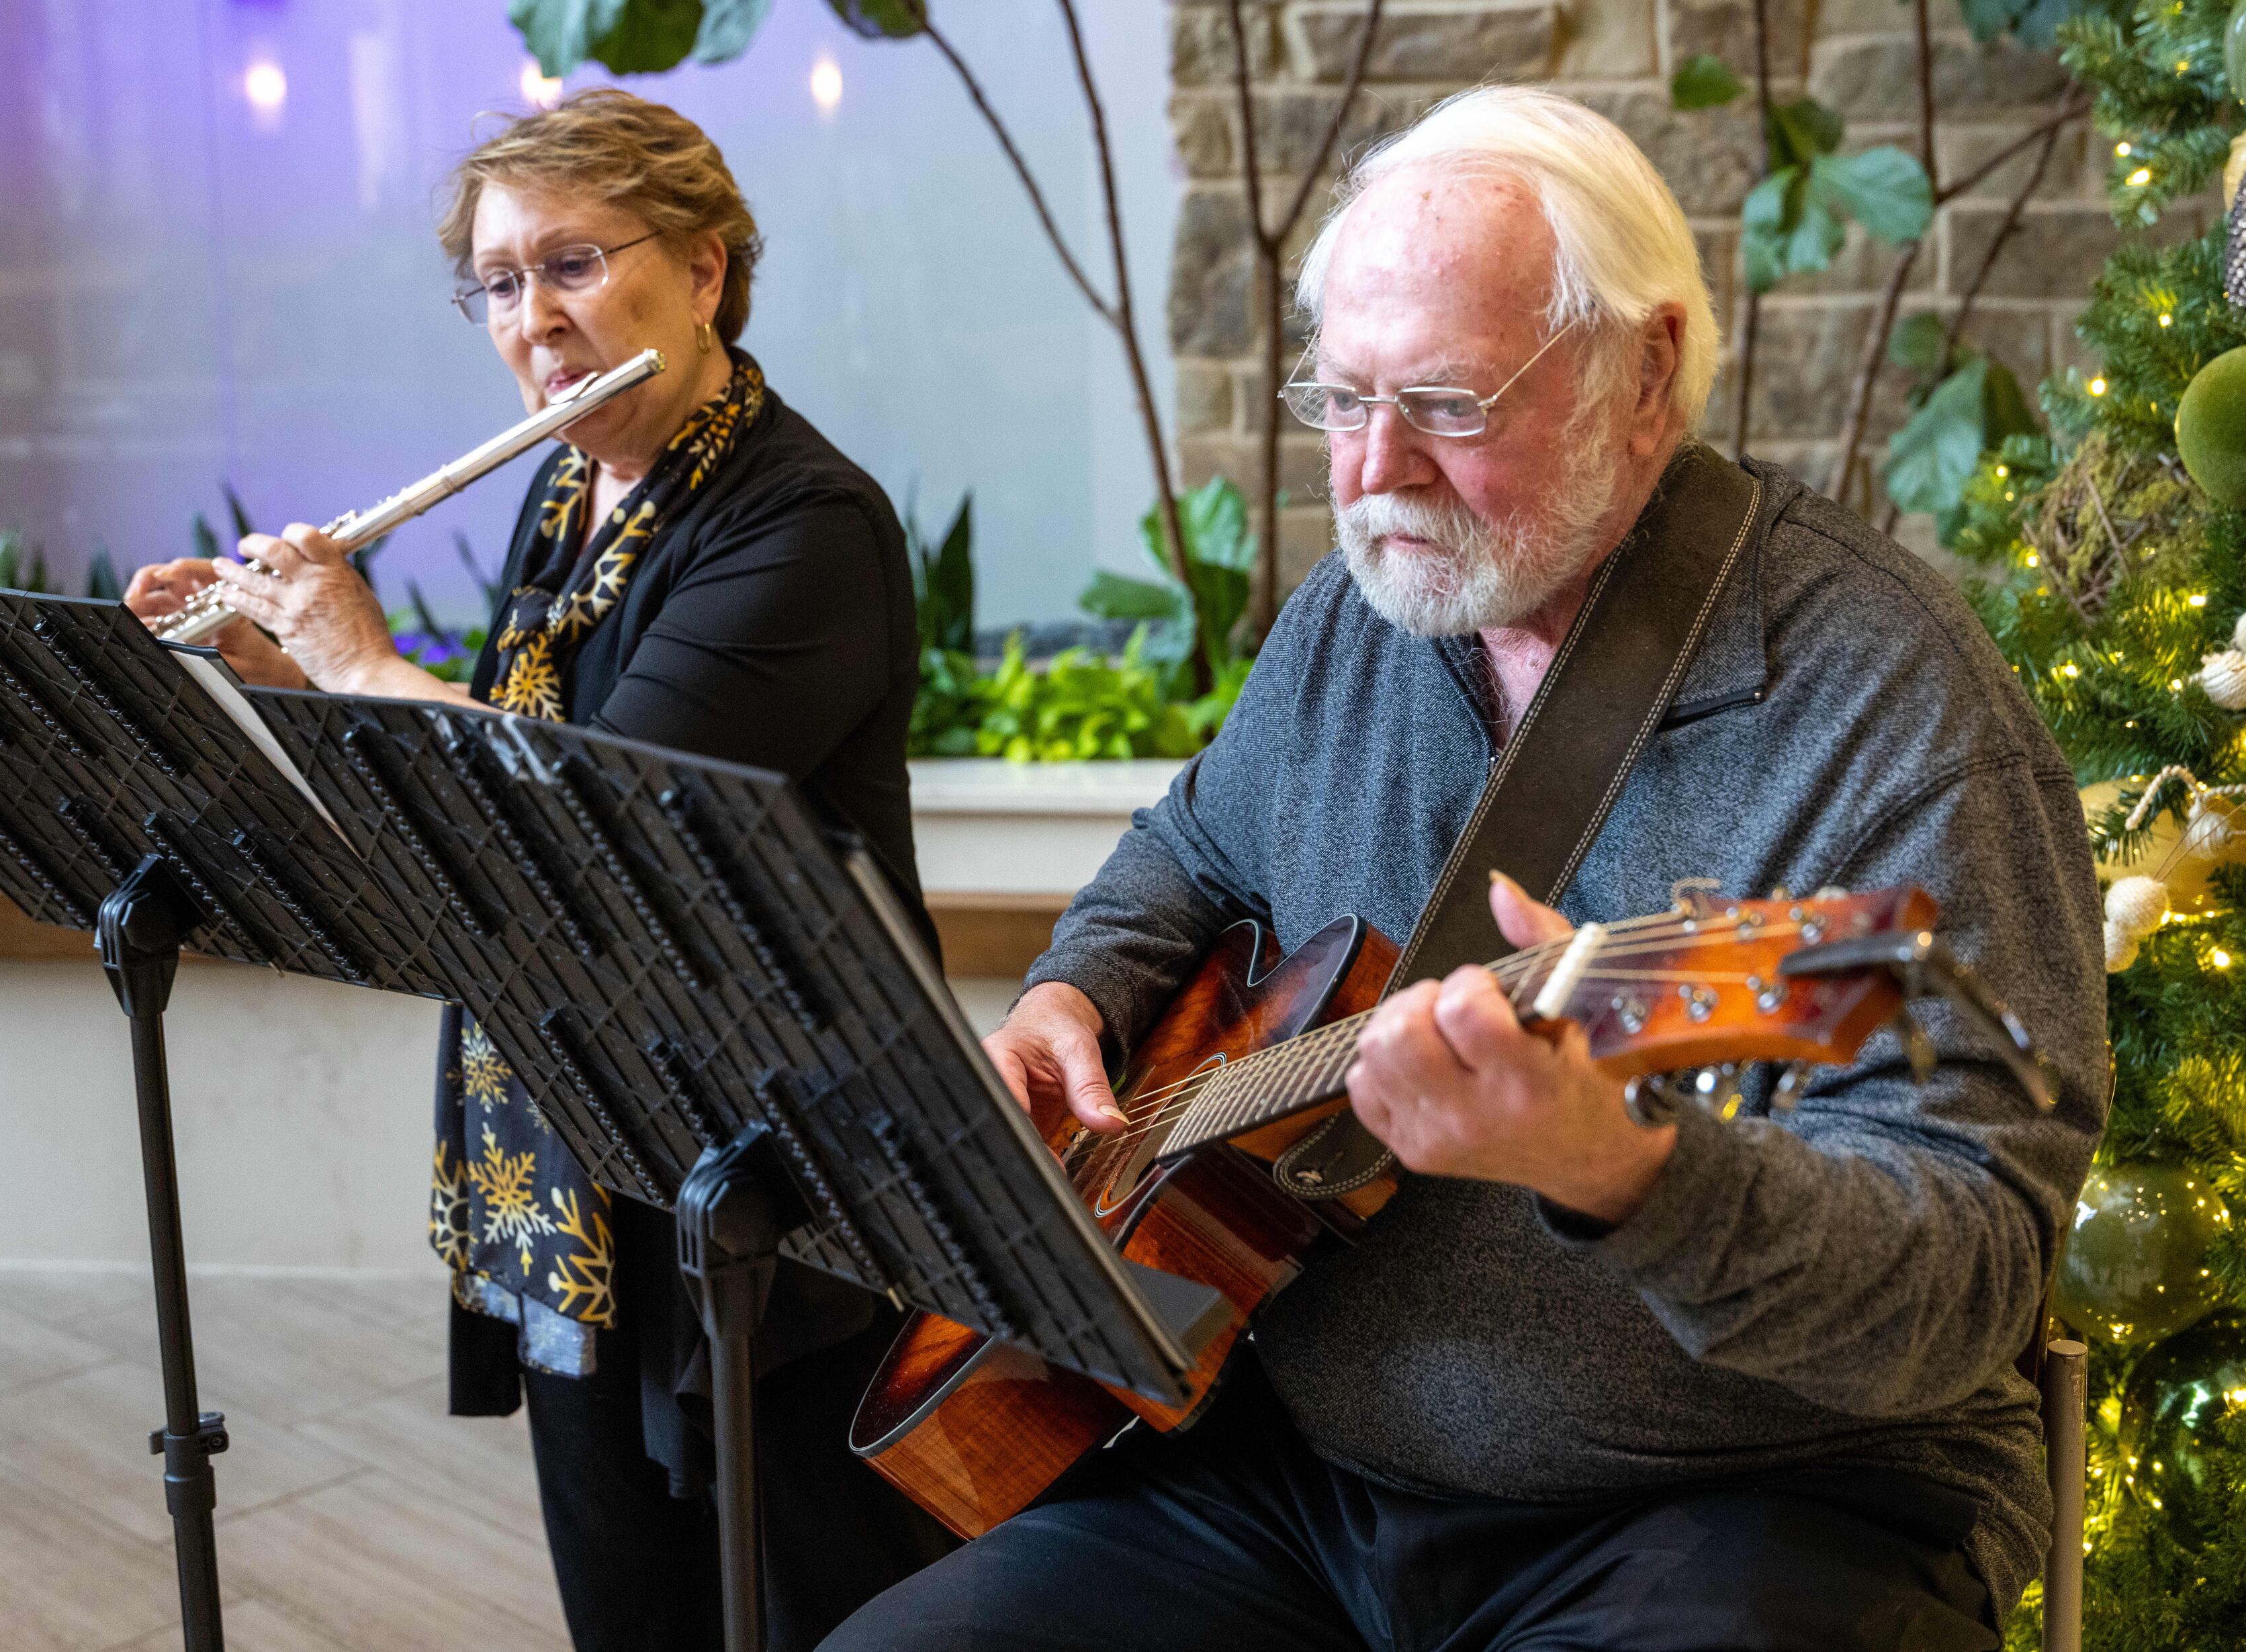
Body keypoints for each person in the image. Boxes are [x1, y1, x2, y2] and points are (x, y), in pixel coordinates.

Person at [825, 87, 2105, 1652]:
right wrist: (1072, 994)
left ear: (1645, 376)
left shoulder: (1893, 706)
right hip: (1299, 1478)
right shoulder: (1355, 616)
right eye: (1342, 399)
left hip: (1753, 1496)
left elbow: (1970, 1273)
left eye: (1446, 404)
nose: (1372, 473)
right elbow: (1188, 847)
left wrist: (1630, 1175)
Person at [125, 89, 951, 1651]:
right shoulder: (572, 492)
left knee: (814, 1604)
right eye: (499, 281)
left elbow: (598, 824)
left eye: (571, 262)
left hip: (771, 1166)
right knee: (626, 1605)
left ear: (705, 272)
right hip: (576, 1144)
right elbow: (493, 768)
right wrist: (286, 666)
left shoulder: (805, 524)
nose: (532, 320)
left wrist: (367, 660)